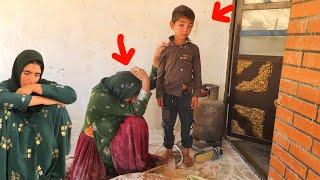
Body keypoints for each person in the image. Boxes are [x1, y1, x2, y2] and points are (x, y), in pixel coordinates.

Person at [66, 44, 166, 179]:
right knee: (136, 122)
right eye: (133, 96)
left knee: (135, 120)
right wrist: (145, 81)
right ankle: (125, 163)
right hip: (100, 145)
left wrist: (156, 59)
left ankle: (129, 159)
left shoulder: (115, 87)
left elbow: (147, 85)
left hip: (109, 132)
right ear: (123, 93)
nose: (136, 98)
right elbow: (138, 109)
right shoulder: (101, 98)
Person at [0, 49, 77, 179]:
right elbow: (3, 98)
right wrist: (42, 100)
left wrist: (34, 88)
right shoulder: (6, 86)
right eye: (27, 73)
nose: (31, 79)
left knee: (58, 108)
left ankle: (54, 172)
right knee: (4, 111)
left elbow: (71, 95)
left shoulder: (40, 84)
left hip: (40, 130)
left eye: (37, 74)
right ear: (18, 70)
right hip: (13, 135)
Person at [156, 5, 202, 167]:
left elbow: (197, 73)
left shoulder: (194, 49)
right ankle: (168, 149)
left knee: (187, 123)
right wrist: (159, 94)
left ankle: (186, 152)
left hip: (186, 95)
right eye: (181, 25)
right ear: (172, 25)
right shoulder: (166, 50)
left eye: (189, 26)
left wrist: (196, 94)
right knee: (168, 123)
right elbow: (160, 74)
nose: (186, 29)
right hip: (168, 94)